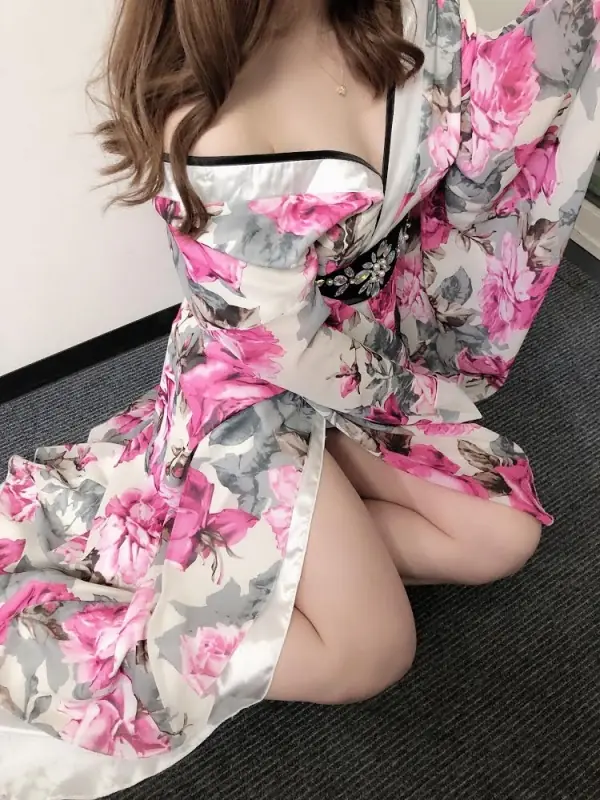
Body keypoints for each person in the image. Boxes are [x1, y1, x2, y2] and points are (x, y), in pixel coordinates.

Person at [1, 0, 599, 798]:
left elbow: (492, 129)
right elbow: (279, 347)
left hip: (366, 350)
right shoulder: (211, 132)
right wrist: (421, 400)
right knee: (372, 651)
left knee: (500, 538)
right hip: (251, 394)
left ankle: (274, 574)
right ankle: (185, 600)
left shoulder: (396, 13)